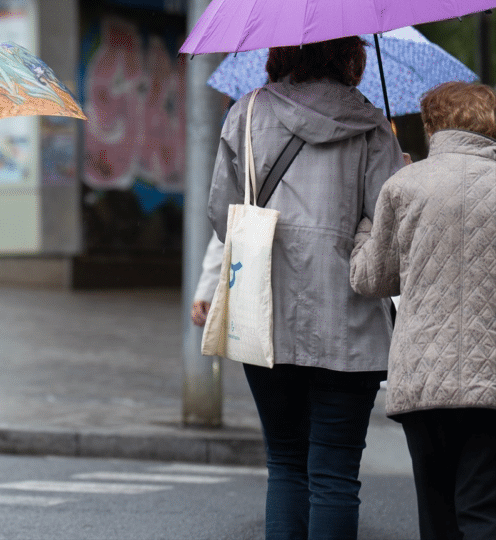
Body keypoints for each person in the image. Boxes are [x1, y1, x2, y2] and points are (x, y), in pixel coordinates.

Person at [206, 36, 404, 540]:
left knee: (287, 463)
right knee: (335, 474)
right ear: (351, 57)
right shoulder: (371, 125)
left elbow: (221, 214)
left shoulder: (246, 114)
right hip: (350, 323)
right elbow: (388, 229)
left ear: (279, 54)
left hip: (264, 319)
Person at [350, 81, 496, 540]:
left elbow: (372, 280)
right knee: (483, 510)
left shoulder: (404, 185)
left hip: (422, 377)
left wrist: (365, 231)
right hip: (490, 378)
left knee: (436, 515)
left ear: (432, 126)